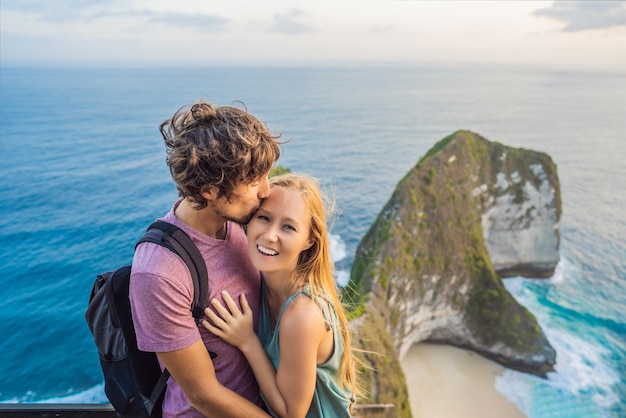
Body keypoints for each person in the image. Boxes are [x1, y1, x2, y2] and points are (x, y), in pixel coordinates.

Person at [129, 101, 281, 417]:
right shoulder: (160, 271)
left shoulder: (243, 222)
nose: (266, 191)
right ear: (209, 191)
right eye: (254, 182)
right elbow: (203, 395)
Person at [203, 173, 357, 418]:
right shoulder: (263, 282)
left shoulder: (303, 315)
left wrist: (247, 341)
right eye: (264, 218)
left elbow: (290, 414)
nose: (270, 235)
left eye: (288, 226)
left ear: (309, 241)